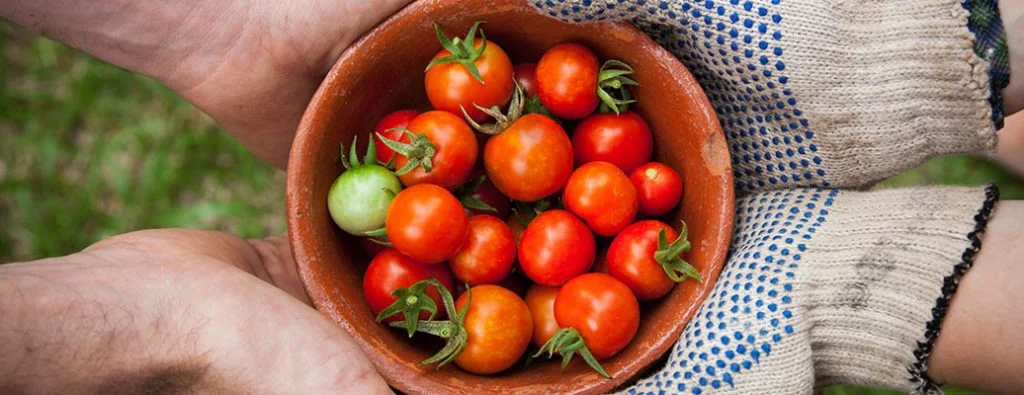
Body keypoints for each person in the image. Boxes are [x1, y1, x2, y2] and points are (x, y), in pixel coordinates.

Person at [1, 0, 1022, 394]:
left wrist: (204, 26)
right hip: (579, 254)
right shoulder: (470, 254)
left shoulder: (469, 177)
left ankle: (973, 67)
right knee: (926, 278)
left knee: (916, 55)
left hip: (586, 228)